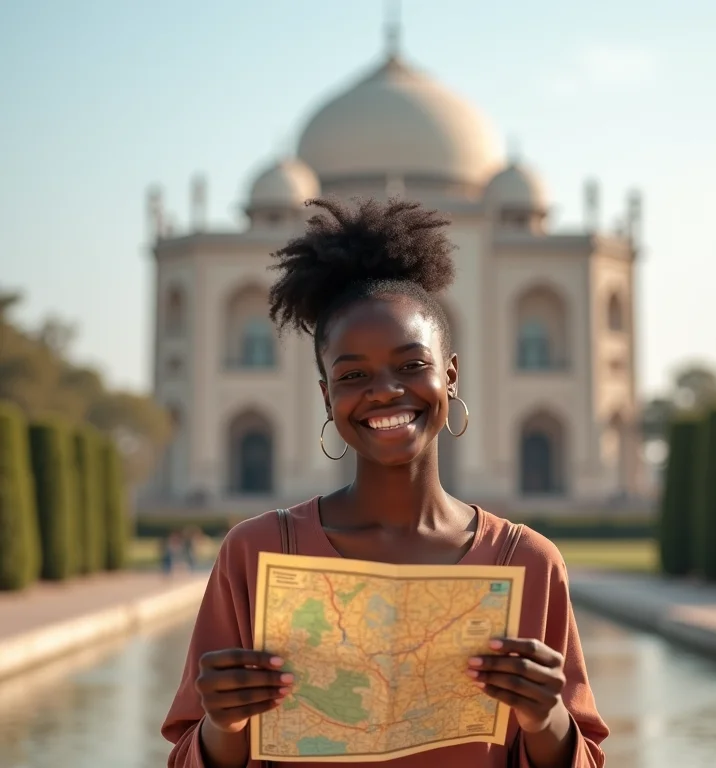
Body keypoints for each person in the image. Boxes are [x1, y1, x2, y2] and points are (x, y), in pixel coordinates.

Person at [161, 197, 609, 768]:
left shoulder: (526, 563)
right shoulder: (258, 552)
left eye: (411, 365)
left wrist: (547, 719)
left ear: (449, 375)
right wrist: (223, 725)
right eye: (353, 374)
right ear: (327, 395)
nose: (385, 391)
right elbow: (189, 757)